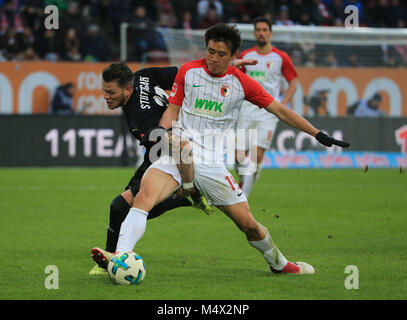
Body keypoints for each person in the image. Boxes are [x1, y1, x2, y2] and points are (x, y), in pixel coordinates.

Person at [92, 24, 349, 275]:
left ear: (233, 55)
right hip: (176, 153)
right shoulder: (189, 72)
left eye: (221, 54)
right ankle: (121, 257)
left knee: (248, 225)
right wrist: (164, 135)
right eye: (210, 52)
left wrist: (317, 133)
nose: (213, 59)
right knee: (142, 199)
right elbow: (172, 110)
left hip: (211, 162)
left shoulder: (242, 84)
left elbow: (280, 111)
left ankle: (280, 264)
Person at [89, 62, 214, 275]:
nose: (106, 96)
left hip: (169, 152)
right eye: (104, 91)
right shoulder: (143, 75)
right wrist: (219, 72)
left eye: (110, 92)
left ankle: (111, 258)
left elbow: (168, 145)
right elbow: (184, 74)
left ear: (127, 90)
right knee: (122, 207)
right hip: (160, 149)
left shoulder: (140, 119)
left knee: (125, 206)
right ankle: (111, 255)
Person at [235, 16, 299, 198]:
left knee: (257, 155)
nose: (261, 33)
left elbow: (293, 82)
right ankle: (242, 181)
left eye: (265, 30)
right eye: (258, 29)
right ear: (254, 33)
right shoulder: (246, 56)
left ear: (270, 33)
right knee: (237, 157)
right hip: (246, 111)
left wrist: (282, 104)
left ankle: (242, 197)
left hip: (268, 113)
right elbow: (236, 80)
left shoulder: (280, 58)